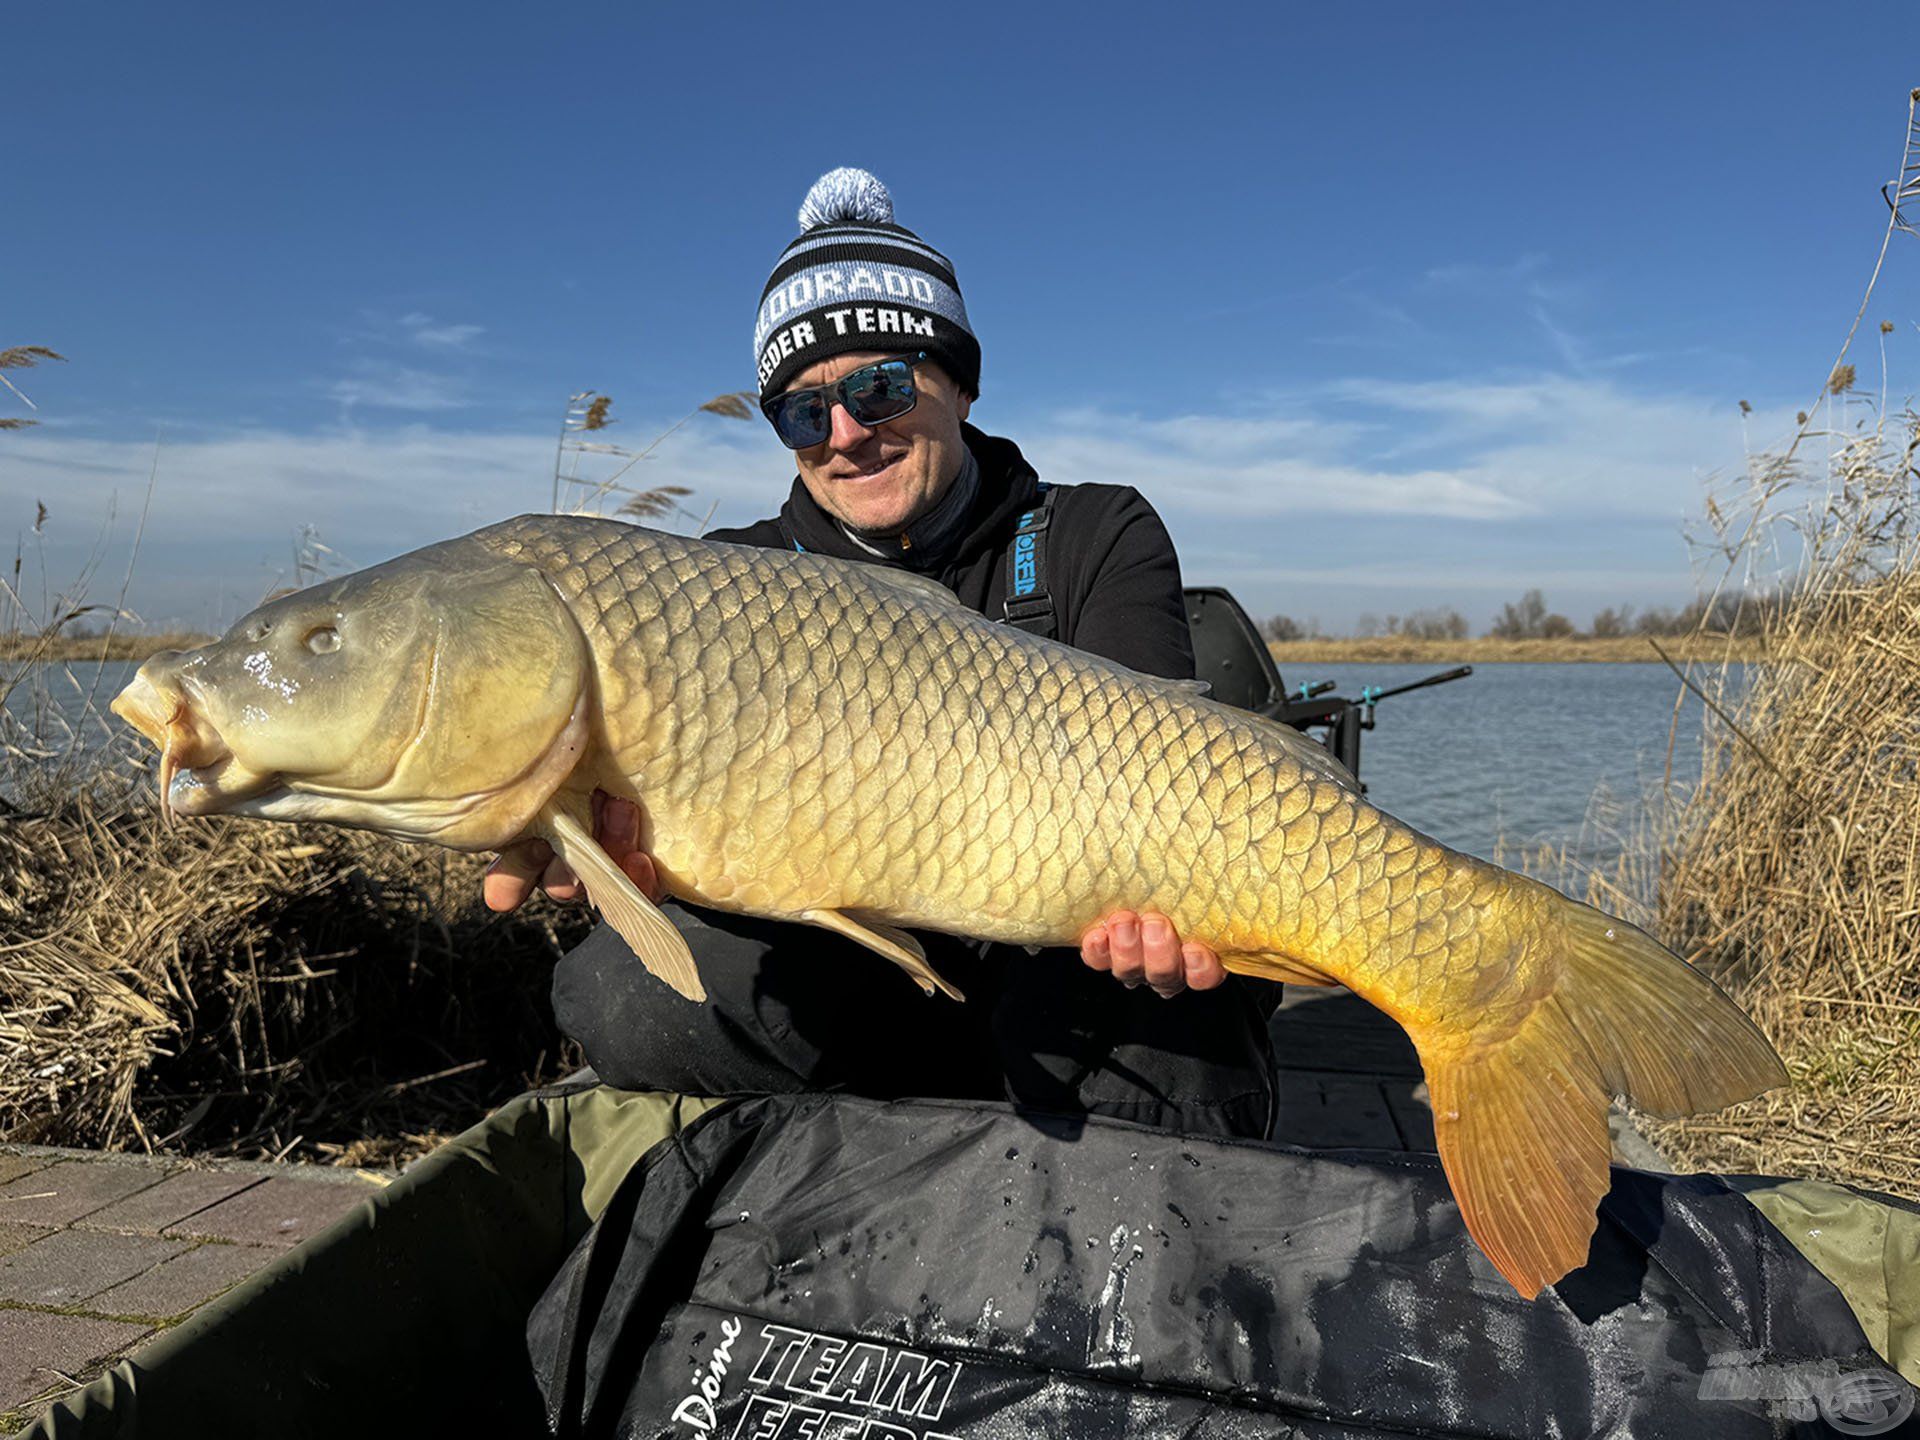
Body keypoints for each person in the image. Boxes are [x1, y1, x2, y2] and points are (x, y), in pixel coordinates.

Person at [486, 169, 1277, 1137]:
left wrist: (1169, 912)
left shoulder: (1092, 533)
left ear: (958, 379)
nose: (849, 434)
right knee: (618, 995)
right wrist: (561, 820)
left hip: (1072, 968)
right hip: (866, 986)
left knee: (1164, 1028)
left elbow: (1172, 779)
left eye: (880, 385)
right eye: (804, 412)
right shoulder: (725, 577)